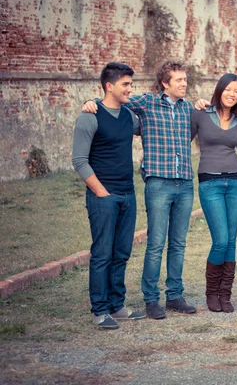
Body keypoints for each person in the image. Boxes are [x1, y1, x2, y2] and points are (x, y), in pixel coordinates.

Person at [83, 61, 197, 319]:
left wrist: (202, 105)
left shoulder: (189, 109)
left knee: (178, 243)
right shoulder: (145, 103)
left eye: (185, 80)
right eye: (179, 80)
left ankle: (175, 295)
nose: (184, 84)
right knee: (156, 243)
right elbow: (112, 102)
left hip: (185, 183)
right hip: (158, 183)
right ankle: (151, 298)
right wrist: (91, 101)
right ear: (165, 83)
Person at [72, 62, 145, 329]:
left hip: (128, 194)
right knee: (102, 253)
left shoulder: (130, 117)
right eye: (125, 84)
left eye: (131, 84)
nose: (130, 89)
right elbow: (79, 161)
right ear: (109, 86)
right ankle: (100, 310)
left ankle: (117, 305)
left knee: (122, 252)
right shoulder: (89, 117)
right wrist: (101, 193)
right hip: (103, 197)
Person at [190, 73, 237, 313]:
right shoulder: (201, 113)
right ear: (220, 90)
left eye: (236, 91)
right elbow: (182, 140)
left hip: (235, 182)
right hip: (209, 183)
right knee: (221, 240)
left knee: (232, 241)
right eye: (228, 89)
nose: (232, 94)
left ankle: (225, 295)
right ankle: (211, 293)